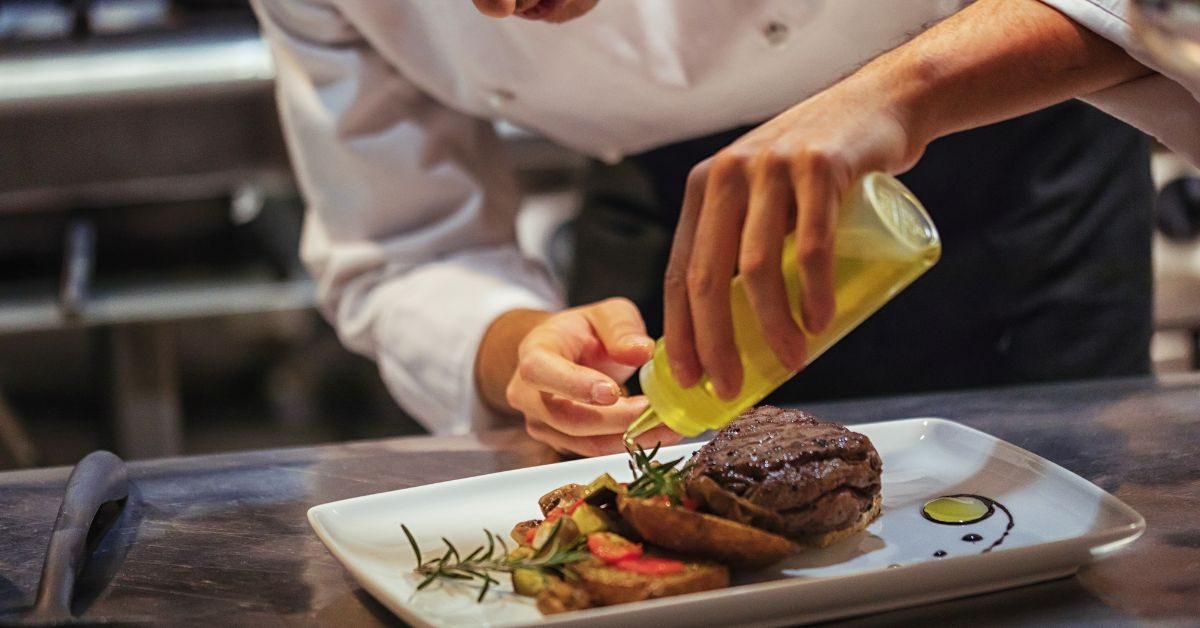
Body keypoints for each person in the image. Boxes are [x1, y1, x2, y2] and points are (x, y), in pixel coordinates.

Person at [251, 0, 1200, 455]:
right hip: (671, 225)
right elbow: (404, 246)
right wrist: (519, 350)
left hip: (999, 156)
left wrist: (902, 93)